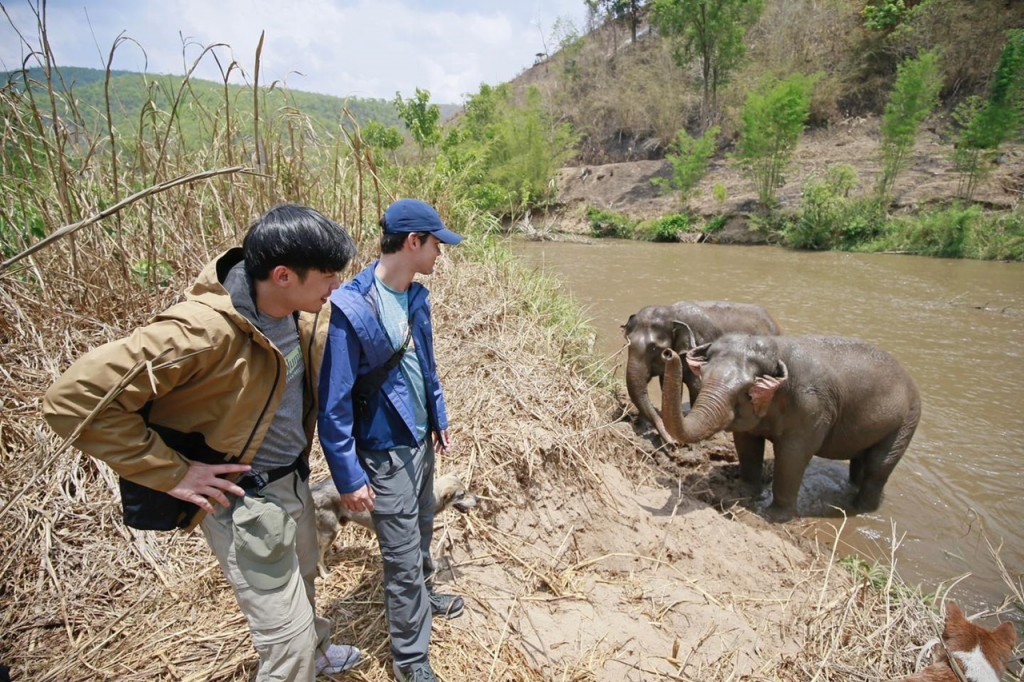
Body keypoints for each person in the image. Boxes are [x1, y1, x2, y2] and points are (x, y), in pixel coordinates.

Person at [43, 204, 363, 681]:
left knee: (304, 579)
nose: (336, 285)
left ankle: (317, 652)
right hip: (247, 502)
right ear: (282, 276)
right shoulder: (202, 332)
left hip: (294, 483)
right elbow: (72, 400)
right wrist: (173, 472)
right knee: (287, 644)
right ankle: (302, 657)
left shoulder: (296, 311)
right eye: (328, 275)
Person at [318, 199, 464, 682]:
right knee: (400, 559)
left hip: (419, 440)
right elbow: (334, 404)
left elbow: (427, 364)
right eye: (436, 244)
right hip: (384, 452)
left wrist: (438, 415)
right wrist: (348, 476)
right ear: (413, 242)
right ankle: (411, 661)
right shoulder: (353, 307)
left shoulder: (415, 297)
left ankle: (427, 594)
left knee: (421, 528)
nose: (440, 253)